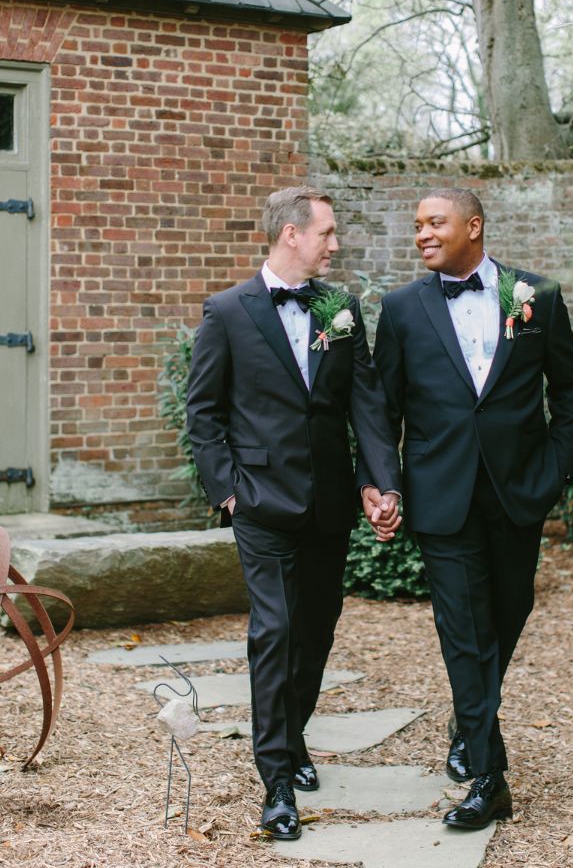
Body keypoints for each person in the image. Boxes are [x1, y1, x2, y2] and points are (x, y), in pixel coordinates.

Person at [366, 188, 573, 830]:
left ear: (474, 226)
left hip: (519, 492)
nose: (422, 235)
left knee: (507, 615)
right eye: (417, 226)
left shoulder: (536, 296)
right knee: (463, 630)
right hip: (441, 494)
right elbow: (382, 408)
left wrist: (555, 473)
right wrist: (385, 485)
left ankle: (469, 725)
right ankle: (489, 778)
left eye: (434, 223)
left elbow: (570, 389)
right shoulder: (401, 309)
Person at [186, 186, 401, 840]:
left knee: (316, 629)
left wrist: (379, 483)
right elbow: (204, 412)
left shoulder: (339, 308)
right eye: (327, 233)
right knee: (275, 631)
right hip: (260, 502)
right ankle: (277, 781)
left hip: (329, 503)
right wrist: (228, 492)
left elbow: (365, 401)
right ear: (291, 234)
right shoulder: (228, 311)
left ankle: (293, 733)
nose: (335, 244)